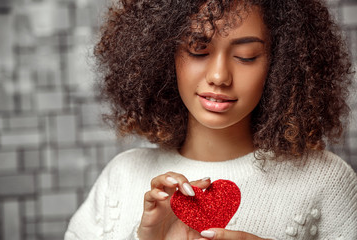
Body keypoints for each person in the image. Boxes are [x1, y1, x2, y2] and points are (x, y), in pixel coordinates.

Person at [64, 0, 357, 239]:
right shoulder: (122, 176)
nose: (219, 76)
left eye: (245, 55)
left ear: (281, 64)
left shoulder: (326, 182)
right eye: (198, 49)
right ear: (165, 54)